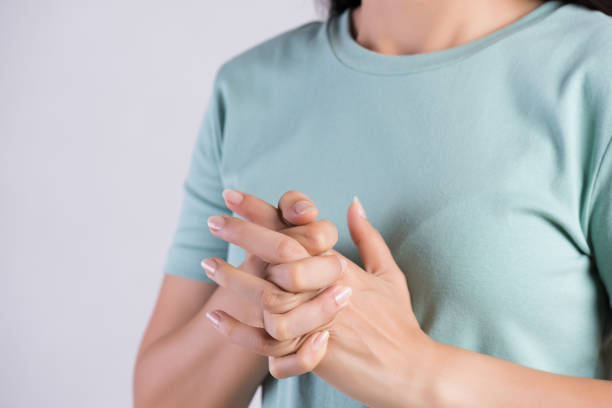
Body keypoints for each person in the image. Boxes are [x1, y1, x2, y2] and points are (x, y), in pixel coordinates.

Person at [133, 0, 612, 406]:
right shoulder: (245, 89)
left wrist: (416, 372)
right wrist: (274, 278)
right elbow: (159, 396)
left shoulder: (595, 68)